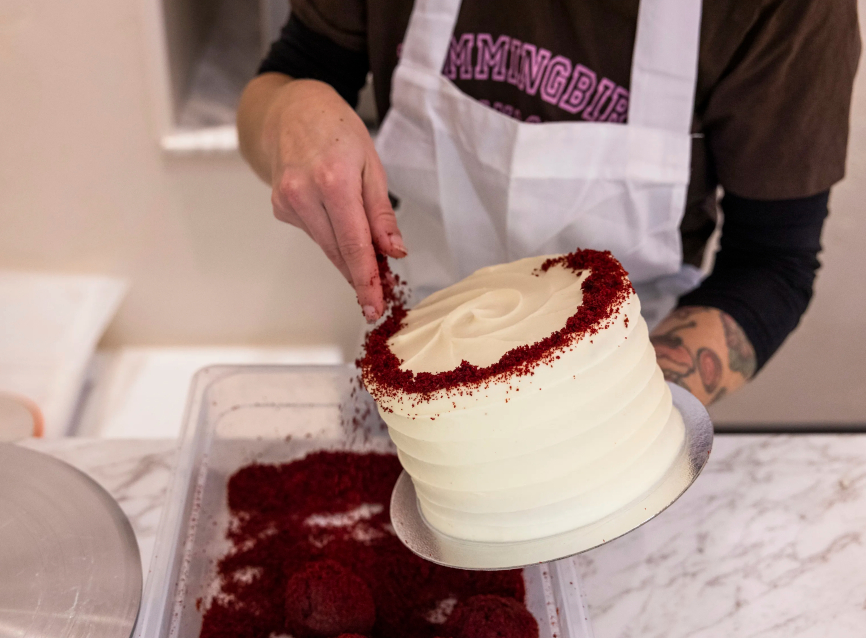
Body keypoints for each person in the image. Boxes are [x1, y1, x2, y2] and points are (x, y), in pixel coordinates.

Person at [237, 0, 860, 406]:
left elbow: (773, 265)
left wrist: (610, 418)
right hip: (412, 371)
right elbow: (289, 75)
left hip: (617, 402)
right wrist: (289, 112)